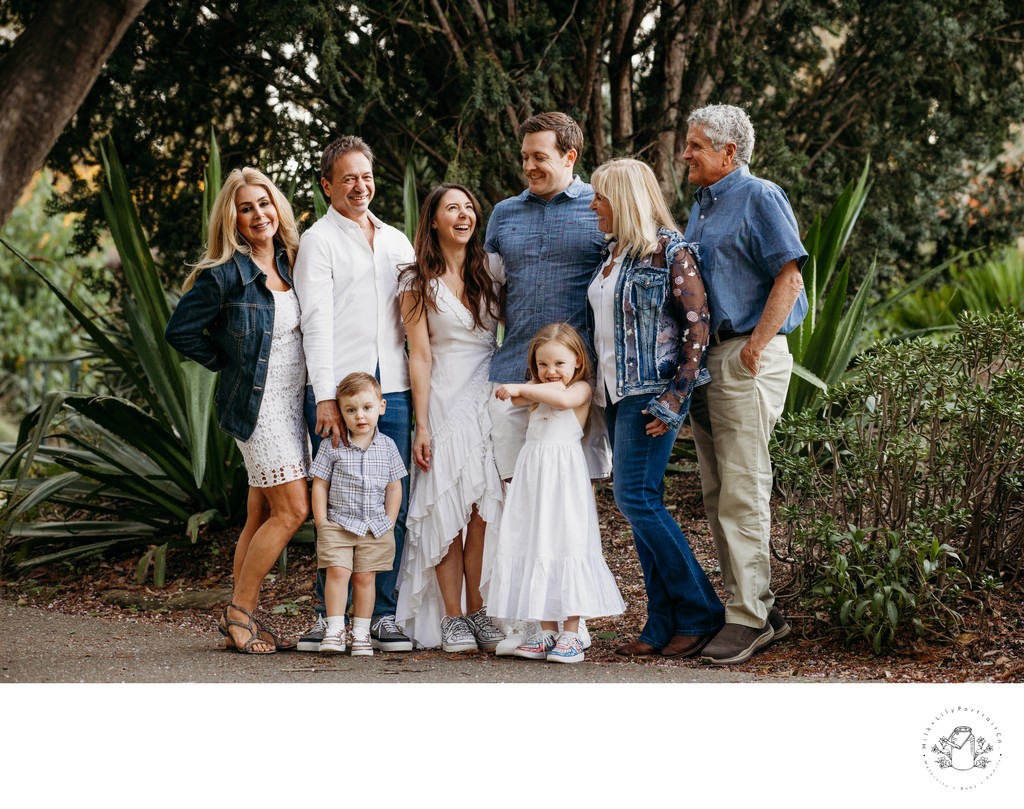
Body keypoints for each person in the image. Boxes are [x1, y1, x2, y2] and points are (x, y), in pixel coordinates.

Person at [681, 103, 809, 665]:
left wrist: (754, 346)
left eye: (696, 146)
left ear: (729, 152)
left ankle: (750, 617)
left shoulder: (760, 196)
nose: (686, 153)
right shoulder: (701, 207)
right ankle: (752, 603)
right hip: (708, 361)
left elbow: (791, 274)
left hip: (742, 356)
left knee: (743, 488)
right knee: (715, 493)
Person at [164, 167, 309, 655]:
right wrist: (228, 362)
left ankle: (240, 616)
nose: (258, 214)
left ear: (277, 207)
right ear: (233, 218)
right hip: (257, 406)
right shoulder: (223, 274)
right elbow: (180, 332)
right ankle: (240, 613)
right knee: (293, 510)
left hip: (295, 402)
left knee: (260, 513)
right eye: (246, 208)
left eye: (264, 203)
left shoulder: (294, 263)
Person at [586, 158, 725, 659]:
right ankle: (661, 622)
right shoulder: (610, 256)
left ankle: (701, 611)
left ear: (623, 199)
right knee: (641, 502)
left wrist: (674, 397)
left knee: (635, 499)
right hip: (615, 394)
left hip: (652, 391)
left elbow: (698, 327)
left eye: (600, 196)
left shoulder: (671, 252)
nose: (593, 204)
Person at [484, 110, 610, 653]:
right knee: (519, 505)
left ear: (569, 156)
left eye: (540, 156)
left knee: (566, 507)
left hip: (572, 388)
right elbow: (485, 290)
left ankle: (572, 623)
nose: (529, 166)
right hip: (511, 372)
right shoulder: (503, 214)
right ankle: (533, 625)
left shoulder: (597, 209)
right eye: (525, 156)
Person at [293, 135, 415, 653]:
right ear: (327, 185)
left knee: (392, 505)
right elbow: (315, 324)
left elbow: (412, 320)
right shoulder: (319, 241)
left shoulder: (396, 240)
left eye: (365, 176)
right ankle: (330, 618)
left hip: (394, 392)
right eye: (347, 178)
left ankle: (382, 615)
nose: (359, 186)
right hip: (338, 397)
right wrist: (324, 397)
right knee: (339, 504)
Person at [394, 185, 506, 651]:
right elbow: (418, 356)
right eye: (452, 209)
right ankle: (452, 618)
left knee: (481, 510)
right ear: (434, 221)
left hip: (488, 396)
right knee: (447, 510)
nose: (464, 215)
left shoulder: (492, 269)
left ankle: (478, 611)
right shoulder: (415, 281)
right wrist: (422, 424)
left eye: (469, 208)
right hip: (443, 398)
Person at [484, 323, 625, 664]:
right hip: (535, 477)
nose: (550, 371)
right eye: (543, 364)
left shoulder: (580, 390)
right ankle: (546, 630)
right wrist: (525, 387)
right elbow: (516, 398)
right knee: (536, 543)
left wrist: (521, 386)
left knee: (566, 543)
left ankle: (571, 632)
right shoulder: (536, 389)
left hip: (563, 479)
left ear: (577, 361)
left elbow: (558, 399)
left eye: (559, 363)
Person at [309, 373, 408, 655]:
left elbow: (394, 487)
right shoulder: (332, 445)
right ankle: (336, 629)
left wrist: (389, 521)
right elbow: (320, 484)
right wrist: (322, 522)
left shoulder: (388, 446)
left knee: (366, 577)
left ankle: (362, 634)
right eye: (351, 410)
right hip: (339, 524)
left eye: (366, 407)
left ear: (382, 407)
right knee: (338, 573)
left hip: (375, 527)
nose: (360, 416)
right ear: (341, 413)